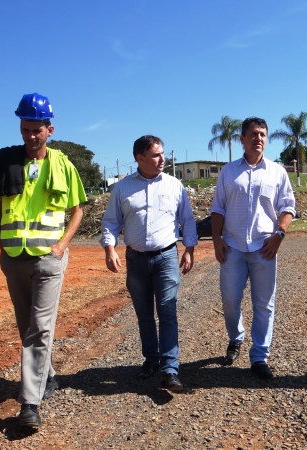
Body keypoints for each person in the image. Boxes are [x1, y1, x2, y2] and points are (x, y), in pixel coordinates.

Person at [0, 93, 87, 426]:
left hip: (48, 259)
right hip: (13, 257)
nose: (30, 136)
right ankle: (47, 374)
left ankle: (30, 403)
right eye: (25, 129)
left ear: (49, 129)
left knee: (40, 328)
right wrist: (1, 244)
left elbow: (78, 209)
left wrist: (61, 247)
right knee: (26, 326)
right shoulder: (8, 163)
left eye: (36, 130)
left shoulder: (62, 164)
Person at [100, 135, 198, 392]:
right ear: (139, 158)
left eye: (162, 153)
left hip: (166, 256)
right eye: (156, 155)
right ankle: (151, 359)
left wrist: (189, 249)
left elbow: (187, 220)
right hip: (136, 260)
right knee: (144, 313)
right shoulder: (122, 189)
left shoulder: (174, 185)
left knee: (167, 310)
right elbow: (111, 222)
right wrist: (110, 250)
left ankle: (170, 368)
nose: (162, 159)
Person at [211, 117, 295, 380]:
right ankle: (236, 337)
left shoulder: (277, 172)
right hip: (233, 247)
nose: (259, 138)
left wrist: (279, 235)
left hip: (264, 248)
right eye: (253, 134)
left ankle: (259, 356)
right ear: (242, 140)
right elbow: (218, 208)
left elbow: (288, 207)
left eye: (262, 134)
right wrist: (216, 240)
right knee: (230, 299)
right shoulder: (228, 172)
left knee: (264, 304)